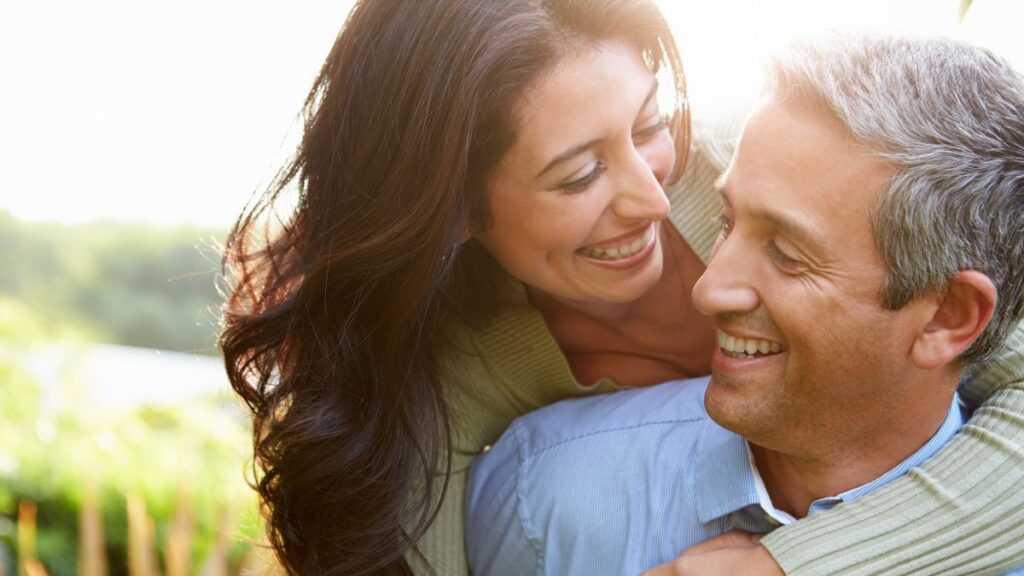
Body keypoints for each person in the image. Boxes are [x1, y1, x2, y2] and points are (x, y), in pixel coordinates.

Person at [218, 0, 1024, 572]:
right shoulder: (460, 374)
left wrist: (794, 569)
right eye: (579, 174)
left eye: (647, 126)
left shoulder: (788, 178)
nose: (650, 195)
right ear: (456, 208)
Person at [465, 33, 1024, 576]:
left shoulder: (721, 146)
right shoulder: (538, 494)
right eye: (724, 222)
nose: (706, 291)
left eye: (786, 253)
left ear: (948, 316)